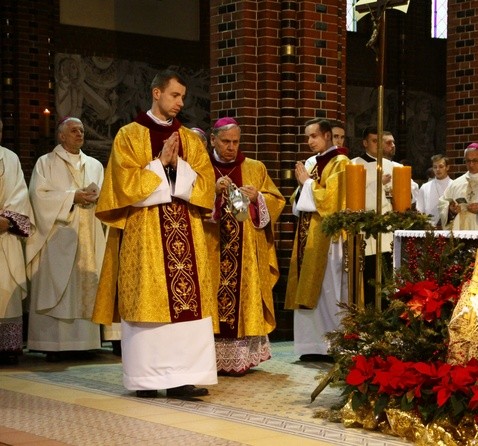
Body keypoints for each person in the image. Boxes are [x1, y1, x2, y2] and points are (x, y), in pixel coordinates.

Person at [92, 70, 218, 399]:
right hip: (145, 234)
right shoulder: (129, 135)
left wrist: (177, 169)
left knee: (186, 306)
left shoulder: (190, 139)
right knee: (148, 301)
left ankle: (182, 378)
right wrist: (160, 164)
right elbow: (123, 185)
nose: (180, 102)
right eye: (174, 95)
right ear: (156, 93)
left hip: (186, 232)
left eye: (183, 97)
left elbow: (206, 187)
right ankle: (146, 379)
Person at [206, 117, 285, 375]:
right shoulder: (202, 168)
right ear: (212, 139)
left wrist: (258, 197)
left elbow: (277, 200)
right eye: (226, 141)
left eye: (236, 142)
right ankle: (208, 358)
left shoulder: (254, 167)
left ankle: (241, 359)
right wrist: (212, 192)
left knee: (244, 296)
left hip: (246, 250)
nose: (231, 147)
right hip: (212, 248)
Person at [26, 117, 106, 361]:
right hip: (58, 235)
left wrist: (96, 197)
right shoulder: (46, 163)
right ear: (61, 136)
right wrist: (72, 197)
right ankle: (54, 344)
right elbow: (38, 196)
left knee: (86, 282)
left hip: (89, 232)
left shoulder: (94, 165)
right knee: (58, 284)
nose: (79, 134)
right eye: (74, 131)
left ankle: (86, 343)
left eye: (81, 130)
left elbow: (104, 195)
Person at [284, 118, 349, 361]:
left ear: (327, 136)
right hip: (309, 235)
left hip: (329, 239)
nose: (309, 141)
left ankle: (331, 345)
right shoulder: (315, 164)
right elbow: (298, 199)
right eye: (308, 137)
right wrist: (304, 186)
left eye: (313, 136)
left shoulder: (339, 162)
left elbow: (332, 200)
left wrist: (307, 183)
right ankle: (311, 344)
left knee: (328, 289)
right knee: (311, 289)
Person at [350, 127, 419, 300]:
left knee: (389, 277)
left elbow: (412, 193)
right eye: (374, 141)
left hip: (389, 230)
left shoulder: (395, 167)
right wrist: (378, 186)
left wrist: (398, 191)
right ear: (365, 143)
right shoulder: (354, 165)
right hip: (366, 231)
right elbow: (352, 196)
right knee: (369, 279)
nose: (378, 145)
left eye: (380, 141)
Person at [0, 117, 34, 364]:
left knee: (6, 291)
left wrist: (7, 219)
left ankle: (7, 349)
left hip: (5, 234)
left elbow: (19, 193)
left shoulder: (10, 158)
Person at [416, 154, 452, 227]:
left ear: (447, 167)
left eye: (441, 166)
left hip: (449, 228)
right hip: (429, 228)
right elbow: (419, 210)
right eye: (435, 167)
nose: (437, 169)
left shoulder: (454, 185)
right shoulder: (425, 187)